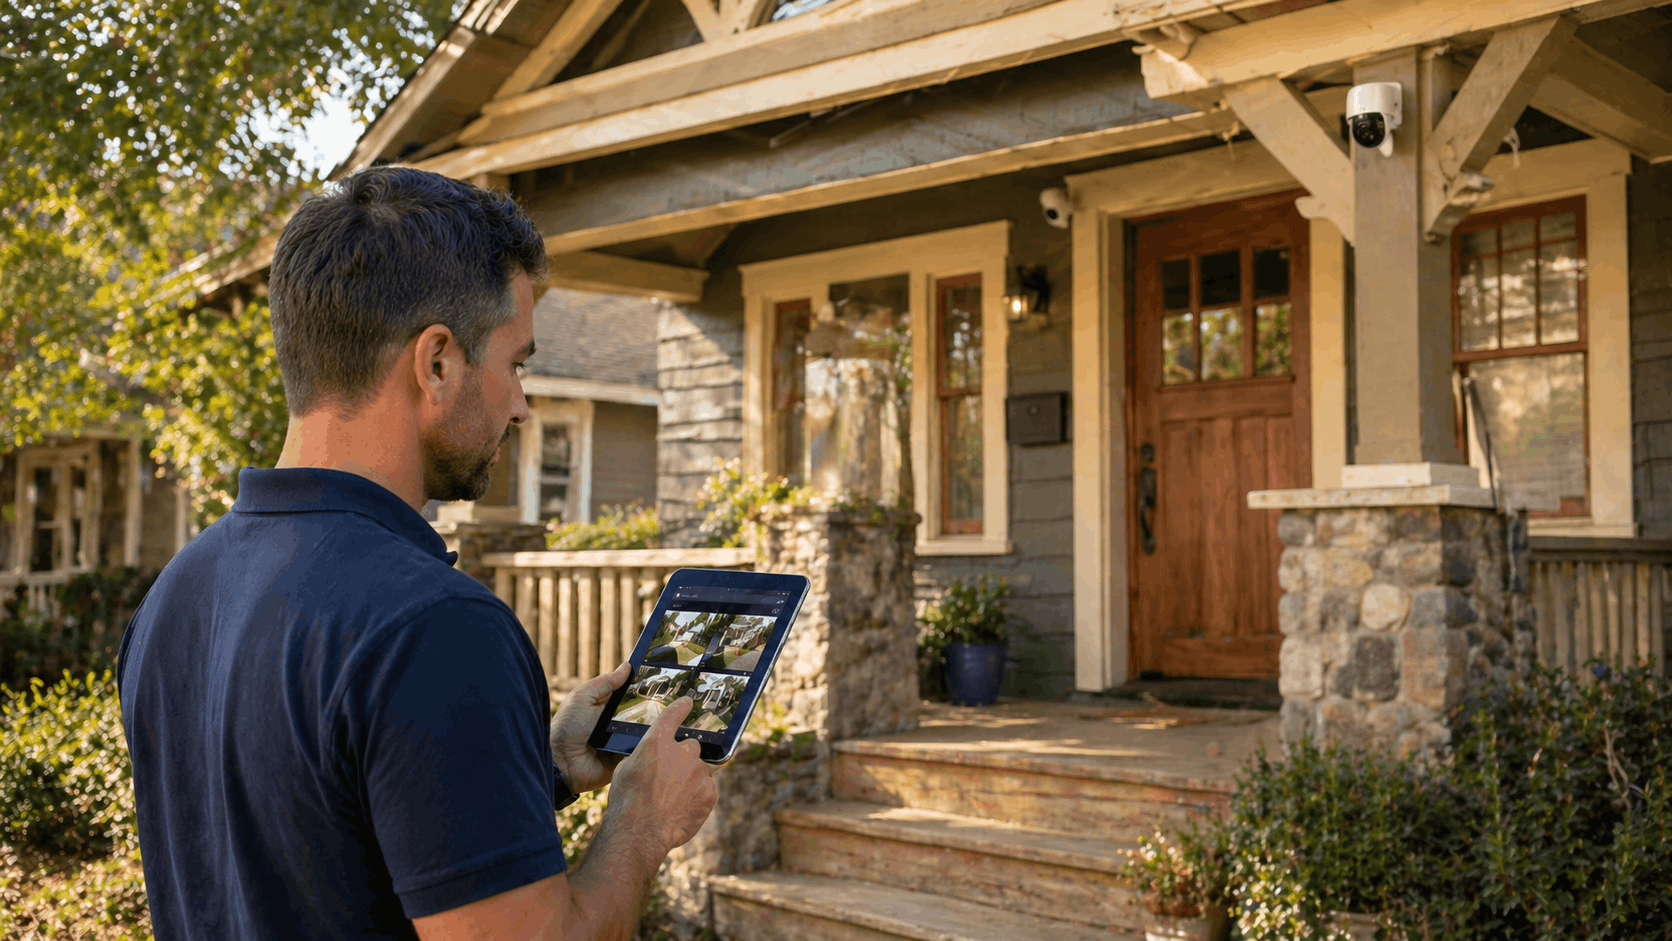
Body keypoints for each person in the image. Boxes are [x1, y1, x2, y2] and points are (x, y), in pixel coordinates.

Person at [117, 166, 717, 941]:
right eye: (517, 362)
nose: (521, 403)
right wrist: (640, 823)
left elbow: (319, 852)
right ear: (437, 361)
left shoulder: (174, 594)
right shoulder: (436, 627)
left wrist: (553, 767)